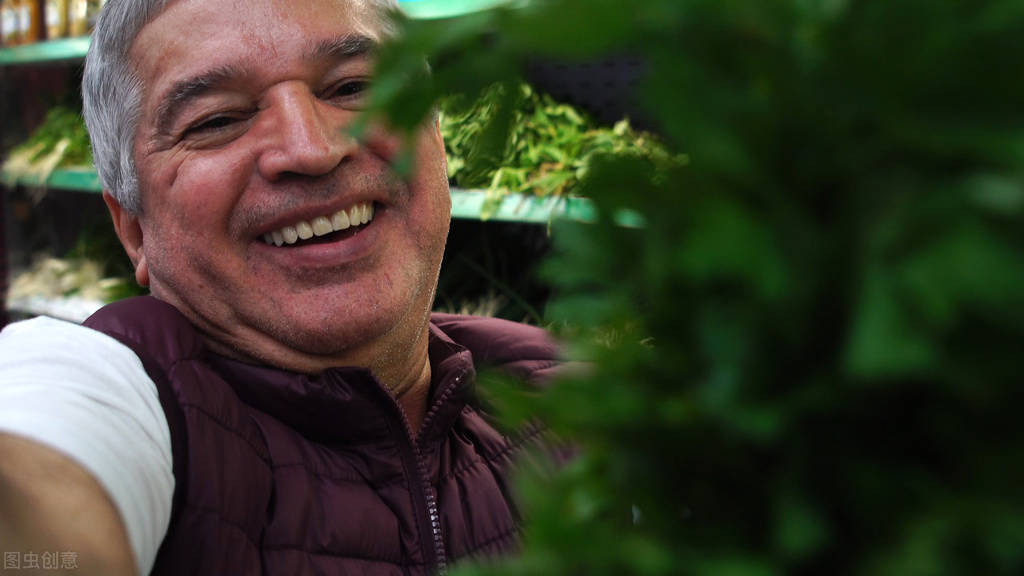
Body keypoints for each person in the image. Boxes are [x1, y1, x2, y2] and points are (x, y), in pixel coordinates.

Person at [0, 0, 565, 574]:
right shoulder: (118, 394)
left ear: (437, 142)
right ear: (134, 231)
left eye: (354, 87)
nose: (311, 150)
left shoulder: (577, 394)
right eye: (216, 121)